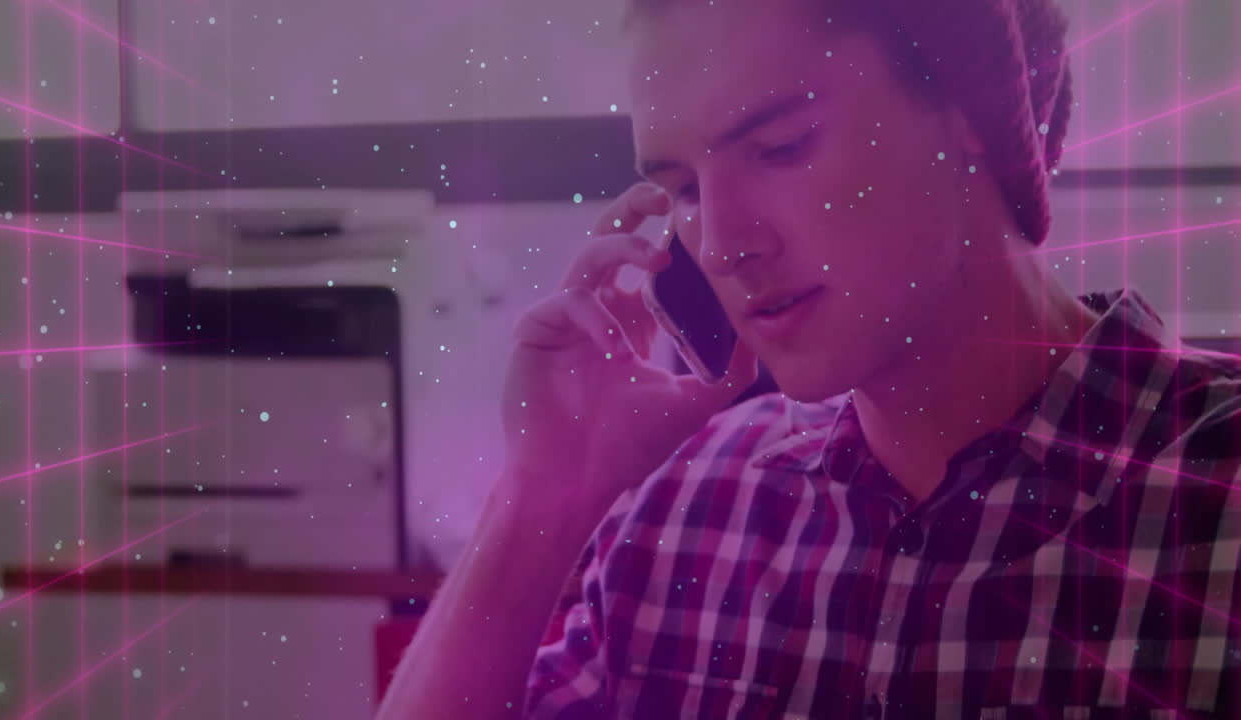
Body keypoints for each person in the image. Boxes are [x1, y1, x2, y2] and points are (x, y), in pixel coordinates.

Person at [377, 0, 1241, 717]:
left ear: (970, 113)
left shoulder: (1215, 499)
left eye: (781, 147)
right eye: (681, 189)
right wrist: (546, 496)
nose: (719, 243)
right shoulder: (687, 513)